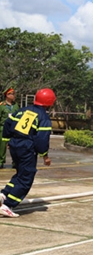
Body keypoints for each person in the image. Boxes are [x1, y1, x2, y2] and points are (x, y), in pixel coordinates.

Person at [0, 88, 56, 218]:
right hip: (27, 147)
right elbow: (42, 139)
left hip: (15, 144)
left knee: (20, 173)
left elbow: (8, 123)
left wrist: (7, 140)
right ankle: (8, 204)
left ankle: (3, 194)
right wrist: (45, 156)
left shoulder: (22, 110)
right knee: (26, 177)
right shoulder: (43, 117)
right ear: (49, 103)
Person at [0, 87, 20, 169]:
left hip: (13, 128)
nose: (13, 95)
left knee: (14, 146)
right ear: (7, 95)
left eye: (13, 94)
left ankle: (15, 162)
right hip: (3, 128)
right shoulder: (1, 106)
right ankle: (1, 161)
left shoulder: (16, 105)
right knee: (2, 146)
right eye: (11, 94)